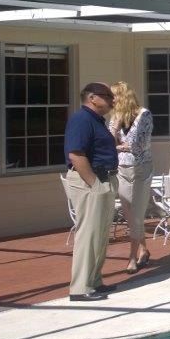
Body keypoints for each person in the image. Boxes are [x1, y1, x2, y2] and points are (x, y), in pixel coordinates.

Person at [62, 82, 119, 301]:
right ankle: (79, 289)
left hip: (104, 178)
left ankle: (94, 282)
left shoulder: (97, 121)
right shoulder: (81, 119)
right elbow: (75, 154)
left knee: (101, 234)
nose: (112, 101)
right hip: (90, 181)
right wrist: (94, 184)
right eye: (108, 96)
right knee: (88, 234)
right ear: (93, 98)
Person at [108, 82, 153, 274]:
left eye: (114, 97)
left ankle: (132, 257)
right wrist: (116, 130)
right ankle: (143, 249)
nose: (111, 101)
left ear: (123, 97)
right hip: (121, 168)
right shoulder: (116, 117)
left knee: (136, 214)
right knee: (129, 215)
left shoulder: (144, 115)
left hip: (140, 169)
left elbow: (137, 145)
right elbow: (108, 142)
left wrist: (120, 144)